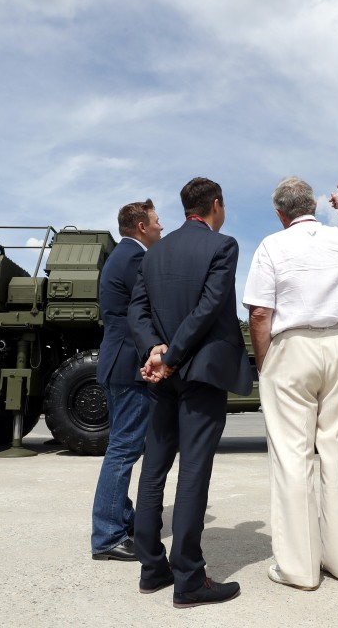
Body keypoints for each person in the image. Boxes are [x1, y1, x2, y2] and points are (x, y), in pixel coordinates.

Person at [242, 176, 338, 591]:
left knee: (292, 456)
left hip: (292, 346)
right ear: (315, 206)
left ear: (280, 213)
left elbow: (260, 314)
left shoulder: (272, 245)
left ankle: (299, 568)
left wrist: (266, 365)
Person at [127, 177, 254, 608]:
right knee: (193, 472)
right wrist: (175, 354)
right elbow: (210, 306)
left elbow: (137, 309)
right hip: (198, 373)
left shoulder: (154, 252)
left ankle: (151, 568)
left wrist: (154, 350)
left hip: (163, 375)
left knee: (154, 468)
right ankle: (189, 578)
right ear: (216, 204)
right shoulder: (223, 246)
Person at [91, 199, 163, 562]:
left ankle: (121, 519)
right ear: (140, 226)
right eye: (155, 221)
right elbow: (149, 309)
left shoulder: (120, 255)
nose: (160, 227)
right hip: (127, 365)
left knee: (124, 446)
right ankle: (107, 535)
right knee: (123, 449)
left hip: (116, 361)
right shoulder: (135, 258)